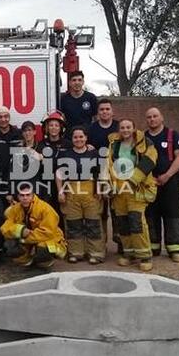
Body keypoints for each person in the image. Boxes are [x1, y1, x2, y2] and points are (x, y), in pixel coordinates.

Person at [107, 119, 158, 272]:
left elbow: (149, 161)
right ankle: (129, 254)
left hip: (137, 188)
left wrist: (133, 180)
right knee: (123, 224)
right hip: (119, 190)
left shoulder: (146, 143)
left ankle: (144, 256)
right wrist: (111, 185)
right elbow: (109, 165)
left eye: (128, 127)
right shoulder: (113, 145)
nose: (125, 130)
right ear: (119, 130)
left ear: (134, 128)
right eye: (122, 127)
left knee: (137, 223)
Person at [56, 126, 105, 264]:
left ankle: (96, 253)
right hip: (71, 190)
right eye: (75, 137)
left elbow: (100, 172)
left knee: (93, 222)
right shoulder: (66, 154)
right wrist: (60, 191)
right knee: (73, 223)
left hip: (90, 190)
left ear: (86, 138)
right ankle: (75, 252)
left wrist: (100, 189)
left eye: (81, 136)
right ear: (71, 139)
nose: (78, 139)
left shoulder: (93, 153)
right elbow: (59, 174)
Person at [145, 107, 179, 262]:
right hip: (149, 183)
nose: (152, 119)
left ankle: (176, 248)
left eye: (155, 116)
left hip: (170, 182)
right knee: (150, 214)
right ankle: (153, 246)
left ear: (161, 118)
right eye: (149, 117)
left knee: (172, 214)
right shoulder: (143, 137)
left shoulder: (172, 135)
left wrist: (167, 175)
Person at [87, 98, 123, 257]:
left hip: (116, 174)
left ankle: (121, 242)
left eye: (107, 109)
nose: (105, 112)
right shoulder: (91, 129)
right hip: (97, 174)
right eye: (102, 109)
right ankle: (100, 245)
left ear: (112, 111)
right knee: (100, 211)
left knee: (118, 209)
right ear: (97, 112)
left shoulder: (119, 127)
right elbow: (83, 145)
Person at [1, 183, 66, 269]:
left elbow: (47, 233)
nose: (25, 198)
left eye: (28, 195)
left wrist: (25, 239)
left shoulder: (45, 209)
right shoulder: (15, 209)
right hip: (28, 239)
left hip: (47, 239)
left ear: (33, 195)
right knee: (10, 245)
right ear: (18, 197)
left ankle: (46, 262)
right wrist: (20, 230)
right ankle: (27, 261)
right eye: (22, 195)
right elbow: (5, 228)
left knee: (43, 250)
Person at [36, 110, 71, 217]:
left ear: (61, 127)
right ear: (46, 127)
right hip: (46, 186)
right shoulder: (40, 145)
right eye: (51, 125)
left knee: (64, 215)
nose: (54, 128)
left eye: (56, 125)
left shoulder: (68, 144)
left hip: (65, 185)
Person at [0, 106, 23, 204]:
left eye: (6, 116)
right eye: (0, 117)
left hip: (17, 182)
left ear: (9, 117)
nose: (3, 119)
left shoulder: (19, 134)